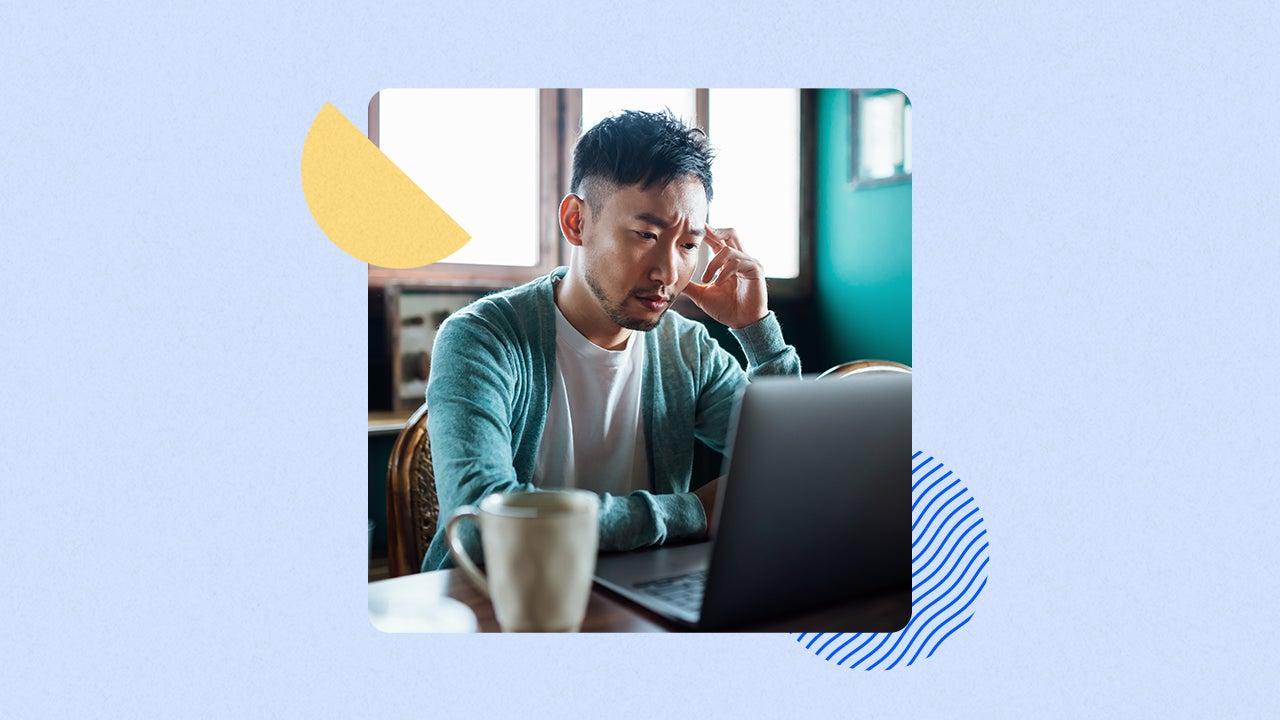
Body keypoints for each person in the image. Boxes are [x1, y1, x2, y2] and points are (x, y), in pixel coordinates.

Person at [421, 109, 800, 571]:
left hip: (642, 605)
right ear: (576, 221)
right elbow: (483, 526)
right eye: (646, 234)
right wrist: (694, 511)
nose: (667, 273)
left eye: (687, 245)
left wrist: (756, 330)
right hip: (497, 606)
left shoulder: (688, 350)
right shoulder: (481, 338)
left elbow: (794, 468)